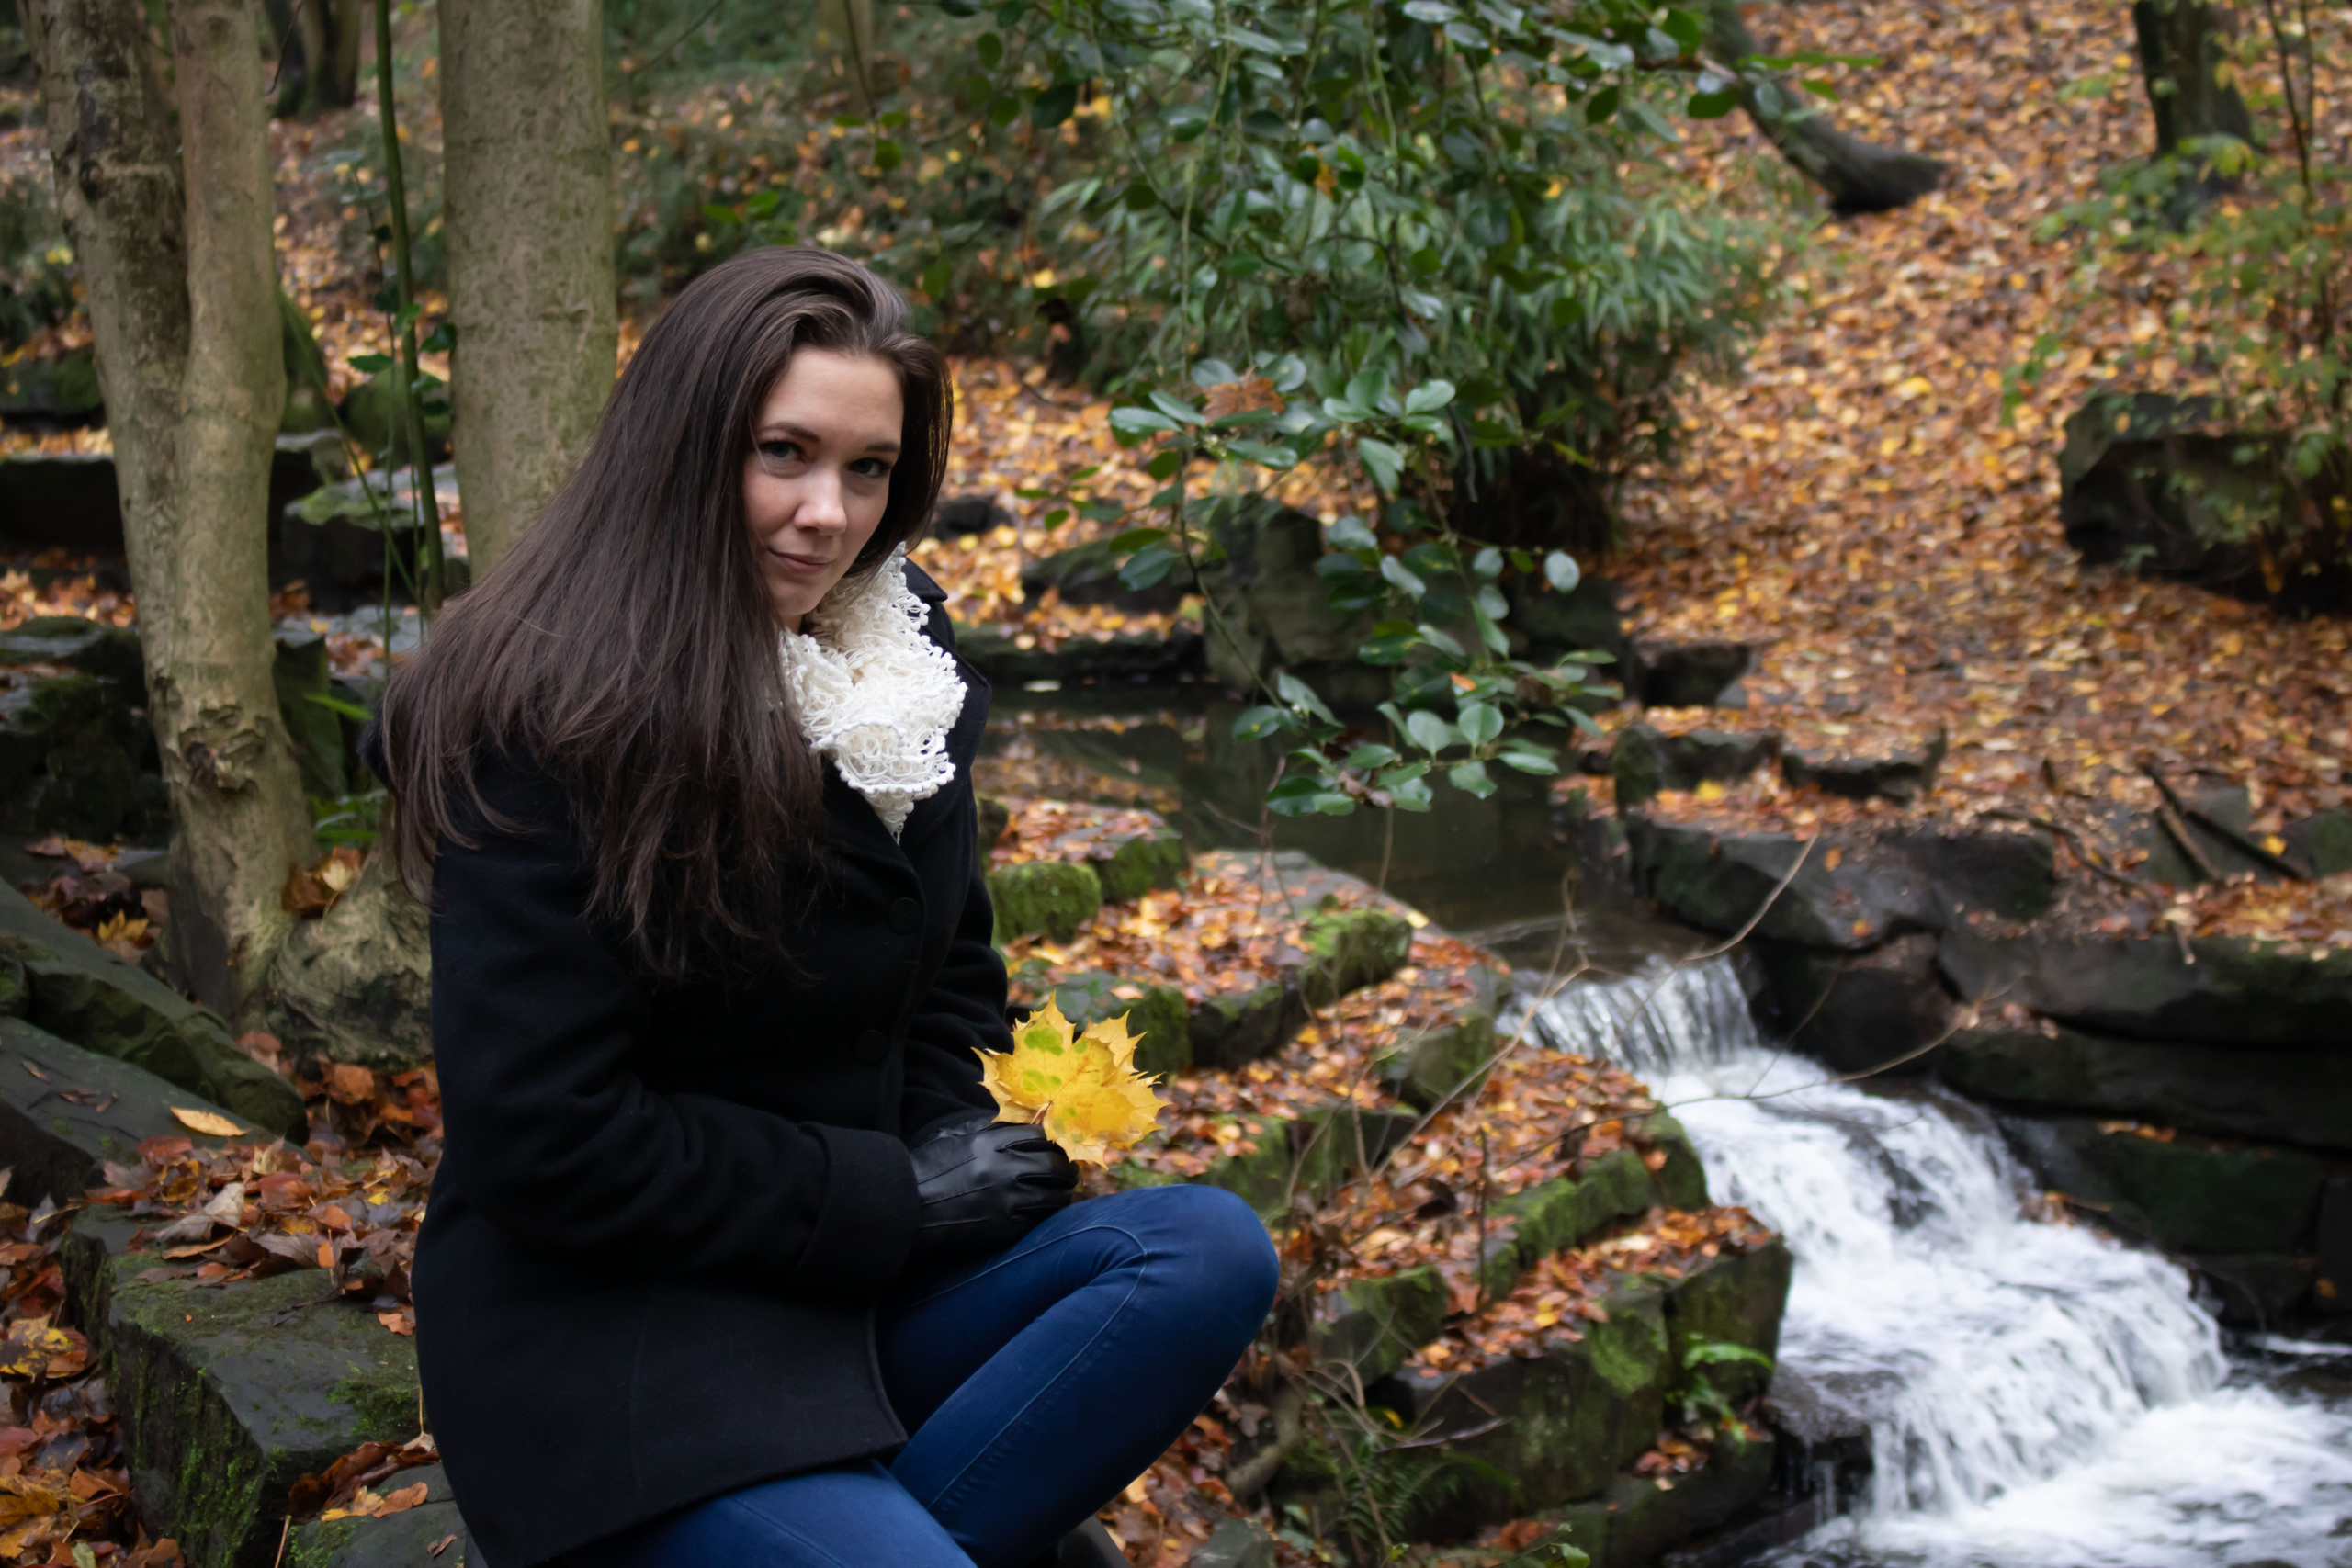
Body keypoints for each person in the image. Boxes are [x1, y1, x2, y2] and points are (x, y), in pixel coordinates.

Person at [371, 246, 1280, 1568]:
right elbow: (540, 1139)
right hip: (616, 1352)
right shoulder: (546, 706)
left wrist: (982, 1156)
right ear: (683, 448)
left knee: (1203, 1251)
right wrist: (897, 1197)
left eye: (868, 471)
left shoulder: (890, 669)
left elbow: (949, 987)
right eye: (782, 454)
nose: (826, 516)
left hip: (846, 1304)